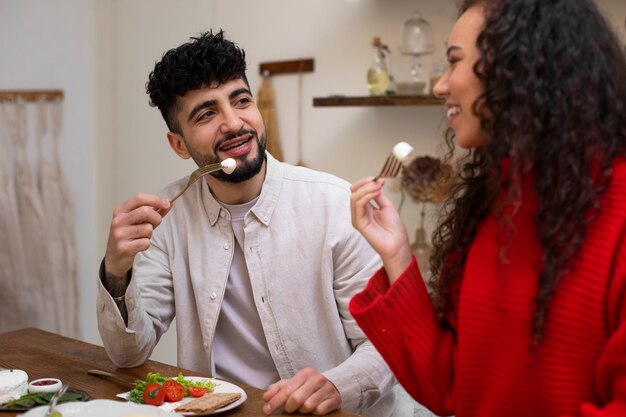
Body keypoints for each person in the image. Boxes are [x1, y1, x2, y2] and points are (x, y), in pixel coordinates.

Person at [96, 30, 397, 416]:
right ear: (179, 144)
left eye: (241, 101)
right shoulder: (168, 219)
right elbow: (127, 353)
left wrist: (336, 385)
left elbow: (386, 346)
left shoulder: (336, 206)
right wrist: (117, 270)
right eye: (207, 114)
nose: (234, 123)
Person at [349, 0, 626, 416]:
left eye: (454, 62)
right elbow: (450, 390)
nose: (440, 86)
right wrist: (396, 255)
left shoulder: (616, 212)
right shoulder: (492, 210)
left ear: (519, 67)